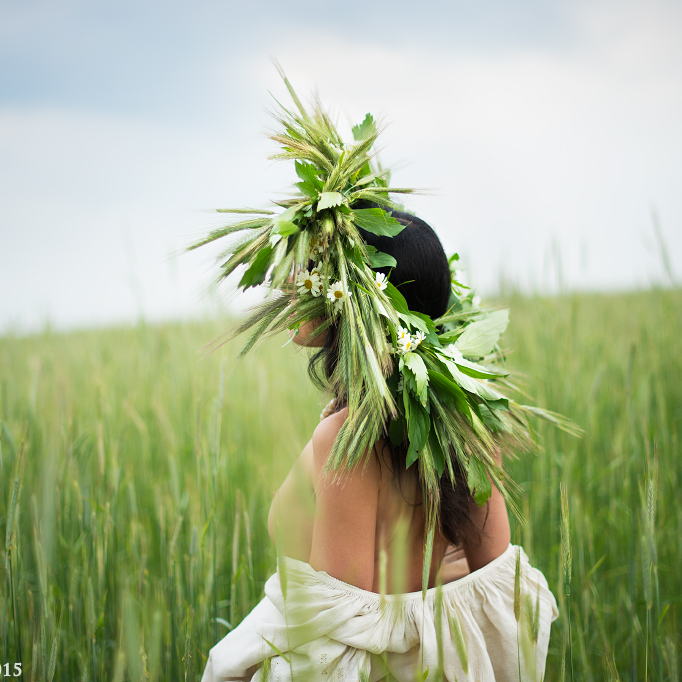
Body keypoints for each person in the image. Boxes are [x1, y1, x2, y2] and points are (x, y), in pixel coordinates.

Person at [200, 208, 559, 682]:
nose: (291, 282)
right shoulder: (468, 421)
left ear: (359, 300)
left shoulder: (348, 441)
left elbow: (338, 643)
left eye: (315, 269)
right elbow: (504, 601)